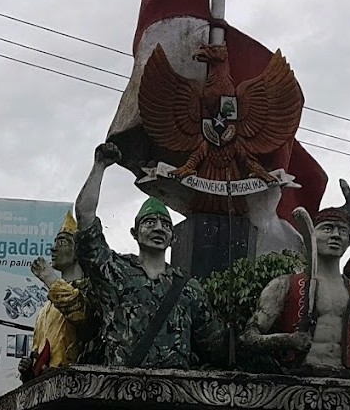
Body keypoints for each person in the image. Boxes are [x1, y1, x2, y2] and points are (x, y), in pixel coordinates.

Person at [71, 142, 226, 369]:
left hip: (174, 396)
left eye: (165, 224)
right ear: (135, 233)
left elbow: (213, 343)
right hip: (121, 392)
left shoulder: (189, 288)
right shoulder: (115, 272)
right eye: (149, 222)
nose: (158, 228)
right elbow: (85, 220)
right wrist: (100, 166)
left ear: (173, 238)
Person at [19, 211, 88, 380]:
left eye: (62, 242)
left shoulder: (90, 289)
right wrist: (29, 369)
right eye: (55, 242)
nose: (53, 248)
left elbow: (79, 315)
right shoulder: (45, 311)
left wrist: (50, 279)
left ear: (78, 249)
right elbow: (39, 353)